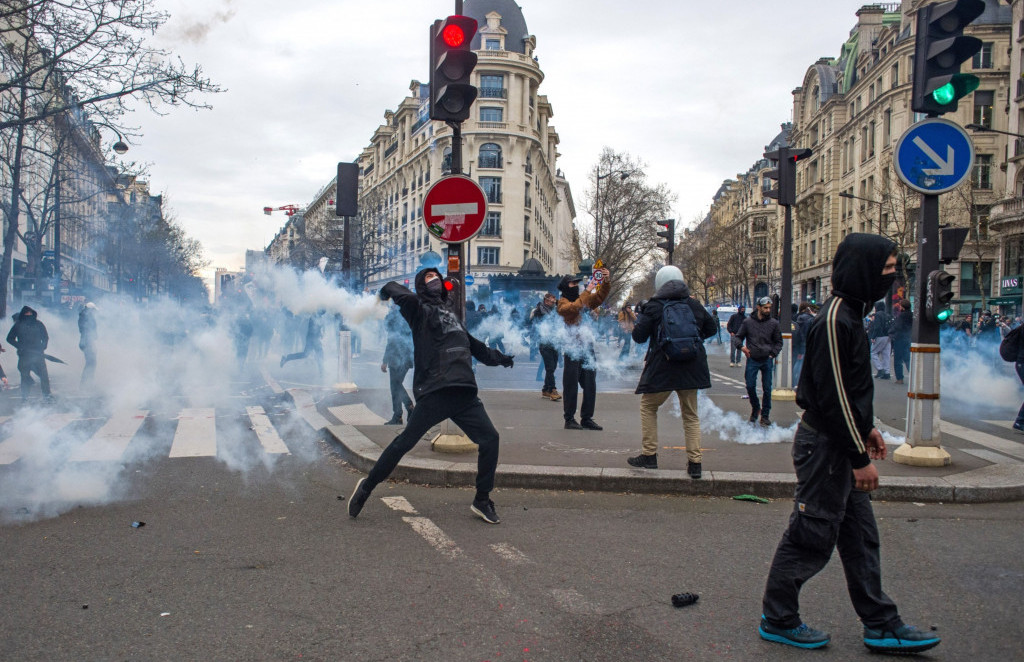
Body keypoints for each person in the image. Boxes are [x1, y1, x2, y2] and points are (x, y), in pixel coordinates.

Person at [759, 233, 940, 654]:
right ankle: (779, 617)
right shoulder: (836, 318)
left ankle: (881, 622)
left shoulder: (849, 314)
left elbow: (847, 391)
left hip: (838, 441)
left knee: (860, 538)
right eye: (888, 270)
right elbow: (835, 396)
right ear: (863, 270)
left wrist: (868, 426)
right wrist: (860, 455)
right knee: (811, 534)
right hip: (827, 448)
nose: (892, 279)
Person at [348, 268, 515, 524]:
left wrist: (500, 359)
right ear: (421, 287)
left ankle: (482, 500)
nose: (434, 280)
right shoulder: (418, 310)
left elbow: (474, 346)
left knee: (490, 439)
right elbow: (396, 288)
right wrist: (382, 294)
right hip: (436, 390)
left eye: (436, 276)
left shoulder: (453, 316)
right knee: (403, 443)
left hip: (463, 391)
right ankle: (367, 487)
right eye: (428, 278)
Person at [627, 266, 717, 477]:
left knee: (649, 406)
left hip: (663, 366)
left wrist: (640, 319)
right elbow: (712, 329)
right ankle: (695, 464)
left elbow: (638, 337)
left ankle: (649, 456)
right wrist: (691, 342)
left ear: (659, 284)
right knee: (691, 415)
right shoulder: (694, 304)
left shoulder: (654, 306)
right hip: (692, 366)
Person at [556, 268, 610, 430]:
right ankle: (569, 419)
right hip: (572, 348)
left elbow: (599, 297)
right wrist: (587, 290)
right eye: (573, 283)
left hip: (587, 347)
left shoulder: (584, 298)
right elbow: (574, 308)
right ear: (566, 286)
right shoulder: (562, 303)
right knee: (571, 384)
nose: (576, 286)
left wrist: (606, 282)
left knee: (590, 384)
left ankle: (587, 418)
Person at [736, 297, 782, 426]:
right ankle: (756, 408)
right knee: (750, 385)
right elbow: (738, 338)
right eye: (765, 308)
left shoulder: (774, 323)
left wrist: (773, 354)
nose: (768, 310)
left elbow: (779, 342)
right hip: (753, 358)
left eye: (769, 308)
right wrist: (742, 347)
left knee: (767, 388)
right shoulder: (748, 322)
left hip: (767, 359)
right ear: (758, 307)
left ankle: (765, 415)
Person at [7, 306, 52, 402]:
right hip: (24, 355)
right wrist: (20, 346)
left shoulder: (39, 324)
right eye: (26, 313)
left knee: (44, 375)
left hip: (38, 355)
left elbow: (45, 337)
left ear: (33, 313)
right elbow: (9, 338)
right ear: (23, 314)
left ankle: (47, 395)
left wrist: (42, 347)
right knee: (24, 376)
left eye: (30, 313)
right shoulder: (18, 325)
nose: (28, 315)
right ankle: (24, 397)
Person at [380, 304, 415, 425]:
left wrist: (385, 361)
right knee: (397, 385)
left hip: (396, 358)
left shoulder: (393, 318)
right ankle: (401, 413)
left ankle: (402, 411)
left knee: (395, 385)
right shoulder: (407, 316)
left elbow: (391, 341)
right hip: (406, 357)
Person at [530, 292, 561, 401]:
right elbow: (535, 326)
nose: (554, 303)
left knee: (552, 366)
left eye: (554, 302)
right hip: (544, 342)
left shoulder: (555, 310)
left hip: (554, 341)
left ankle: (545, 389)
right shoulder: (538, 311)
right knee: (550, 367)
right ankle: (553, 390)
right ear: (546, 300)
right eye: (552, 302)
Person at [280, 311, 325, 379]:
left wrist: (320, 333)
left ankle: (287, 358)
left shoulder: (317, 317)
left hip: (313, 339)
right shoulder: (314, 317)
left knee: (305, 354)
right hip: (312, 339)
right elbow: (313, 329)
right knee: (319, 354)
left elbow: (316, 328)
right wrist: (318, 335)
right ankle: (322, 373)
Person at [868, 301, 892, 380]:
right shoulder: (887, 315)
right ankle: (887, 372)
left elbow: (877, 327)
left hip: (880, 336)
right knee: (886, 354)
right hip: (888, 336)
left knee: (873, 352)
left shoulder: (878, 315)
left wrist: (873, 337)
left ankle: (880, 369)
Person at [792, 302, 815, 386]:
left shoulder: (797, 318)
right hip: (804, 345)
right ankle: (798, 381)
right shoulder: (810, 320)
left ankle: (794, 381)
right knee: (800, 364)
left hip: (796, 345)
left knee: (796, 364)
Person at [892, 299, 913, 385]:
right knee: (907, 359)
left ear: (903, 307)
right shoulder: (912, 315)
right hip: (908, 338)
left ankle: (899, 378)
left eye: (900, 306)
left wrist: (892, 330)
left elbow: (898, 327)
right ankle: (913, 376)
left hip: (899, 339)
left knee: (898, 360)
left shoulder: (901, 316)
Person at [78, 301, 98, 388]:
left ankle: (87, 383)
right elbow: (85, 330)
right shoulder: (85, 317)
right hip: (87, 341)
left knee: (91, 362)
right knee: (91, 362)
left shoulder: (85, 316)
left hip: (87, 341)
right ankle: (85, 384)